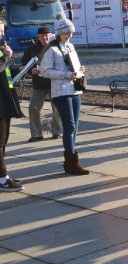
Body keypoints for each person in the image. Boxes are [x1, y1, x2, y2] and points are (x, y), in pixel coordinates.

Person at [39, 16, 88, 175]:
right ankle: (71, 162)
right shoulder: (51, 50)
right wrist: (67, 74)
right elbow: (45, 71)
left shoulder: (71, 47)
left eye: (71, 32)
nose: (70, 35)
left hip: (75, 89)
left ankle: (71, 161)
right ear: (59, 33)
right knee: (70, 126)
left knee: (76, 127)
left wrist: (79, 69)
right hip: (61, 92)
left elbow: (72, 66)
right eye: (67, 32)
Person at [22, 26, 60, 140]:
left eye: (47, 35)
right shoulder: (31, 49)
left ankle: (56, 131)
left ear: (51, 35)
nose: (45, 38)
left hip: (53, 82)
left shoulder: (56, 47)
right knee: (33, 107)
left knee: (57, 108)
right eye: (43, 35)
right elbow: (23, 65)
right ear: (38, 36)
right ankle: (36, 134)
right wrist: (31, 70)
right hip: (39, 83)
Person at [0, 20, 25, 191]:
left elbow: (5, 72)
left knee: (3, 141)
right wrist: (6, 57)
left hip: (5, 99)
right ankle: (3, 179)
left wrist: (22, 69)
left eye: (2, 30)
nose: (2, 34)